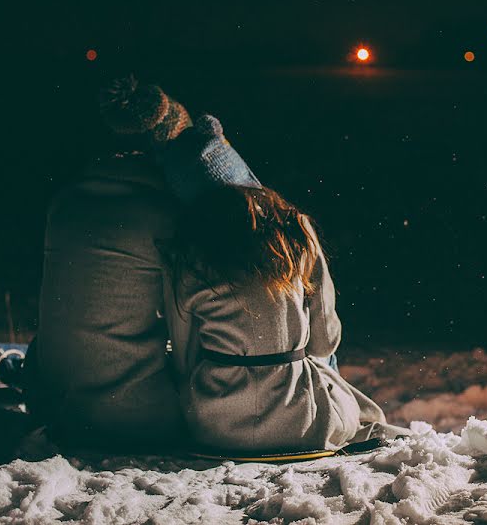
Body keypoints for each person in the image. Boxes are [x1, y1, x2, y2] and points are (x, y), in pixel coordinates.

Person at [157, 113, 389, 452]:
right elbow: (324, 342)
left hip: (216, 426)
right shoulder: (295, 231)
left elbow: (184, 357)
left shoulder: (187, 253)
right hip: (303, 423)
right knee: (345, 394)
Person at [31, 77, 196, 449]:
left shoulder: (65, 202)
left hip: (56, 411)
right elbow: (187, 329)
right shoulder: (164, 215)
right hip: (135, 419)